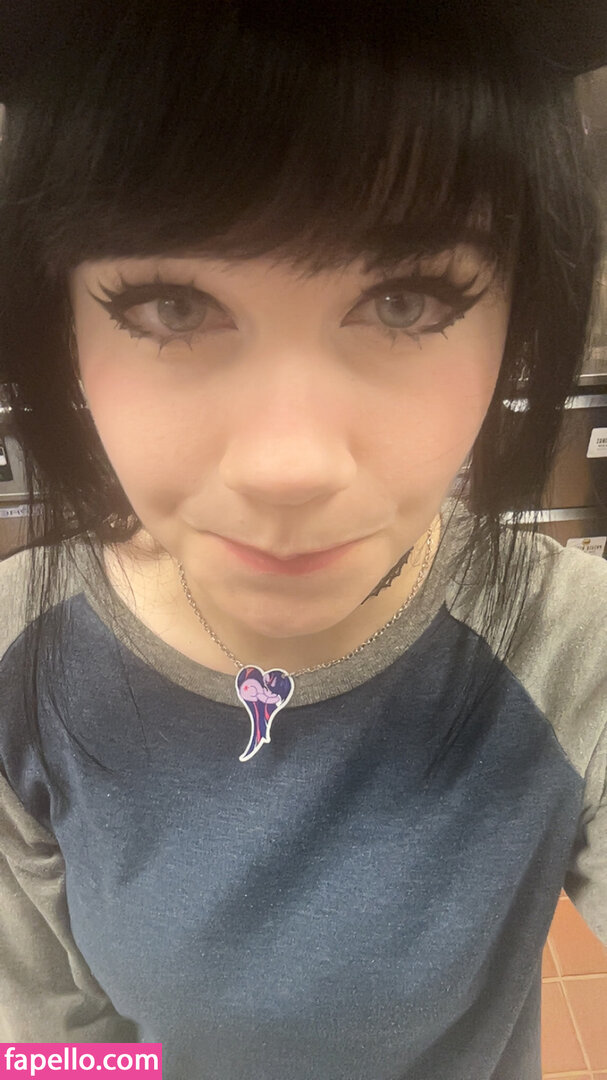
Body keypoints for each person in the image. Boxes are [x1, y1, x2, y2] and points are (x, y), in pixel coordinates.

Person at [0, 2, 606, 1077]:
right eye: (172, 307)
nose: (290, 465)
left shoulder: (573, 651)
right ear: (62, 324)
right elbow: (50, 1046)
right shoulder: (17, 666)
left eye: (407, 301)